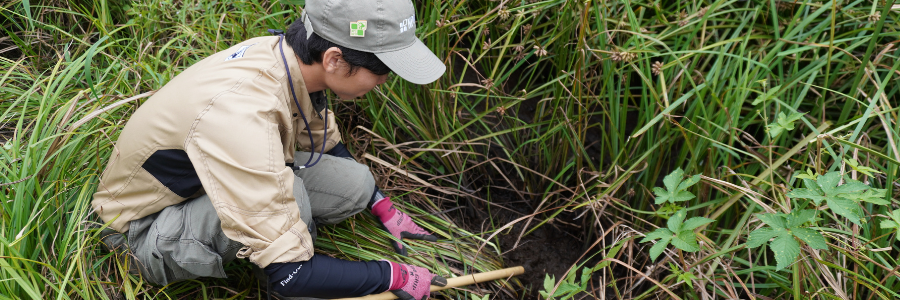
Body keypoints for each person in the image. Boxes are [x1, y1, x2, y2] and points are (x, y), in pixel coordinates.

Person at [92, 0, 448, 299]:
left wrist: (382, 204)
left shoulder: (290, 60)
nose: (386, 80)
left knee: (357, 183)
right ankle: (264, 251)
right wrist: (391, 276)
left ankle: (281, 227)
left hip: (207, 182)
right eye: (382, 69)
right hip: (141, 232)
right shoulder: (242, 112)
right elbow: (291, 276)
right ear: (335, 60)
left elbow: (327, 143)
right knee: (291, 196)